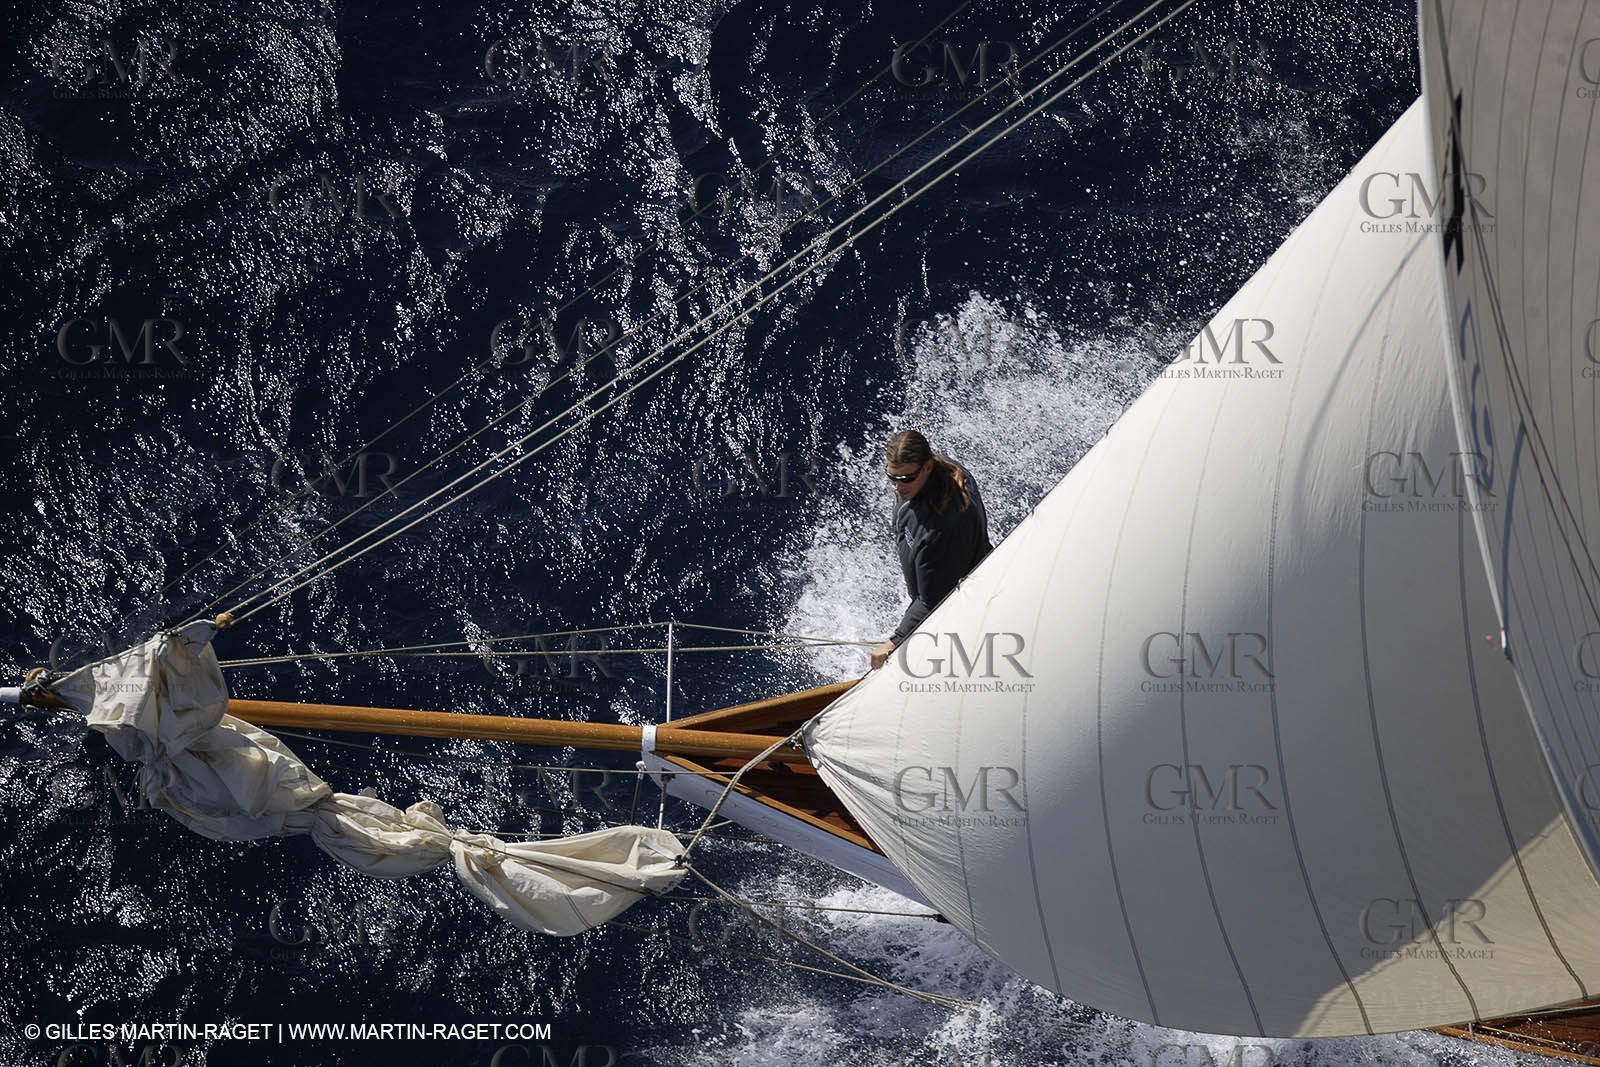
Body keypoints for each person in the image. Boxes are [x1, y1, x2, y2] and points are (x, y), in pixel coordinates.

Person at [870, 430, 993, 670]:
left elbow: (932, 600)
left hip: (958, 604)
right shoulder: (924, 478)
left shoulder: (943, 525)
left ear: (926, 467)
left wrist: (894, 642)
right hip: (934, 584)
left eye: (906, 478)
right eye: (892, 477)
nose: (898, 487)